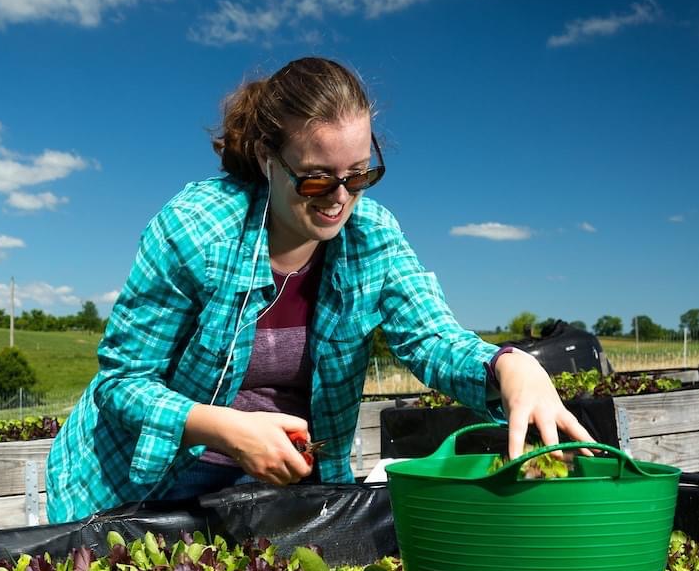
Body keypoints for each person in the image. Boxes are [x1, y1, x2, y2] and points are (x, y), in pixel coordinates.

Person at [46, 56, 592, 524]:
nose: (339, 198)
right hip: (145, 480)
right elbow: (123, 383)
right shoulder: (196, 230)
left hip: (278, 484)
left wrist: (508, 367)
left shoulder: (372, 238)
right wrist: (227, 430)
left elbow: (432, 338)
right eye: (316, 178)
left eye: (358, 175)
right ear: (268, 160)